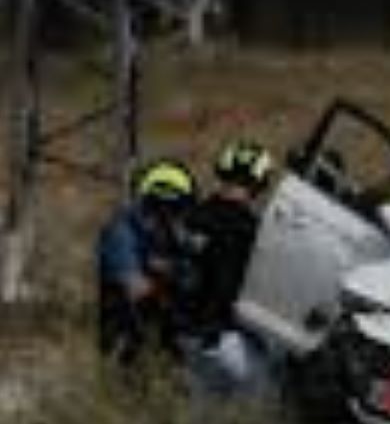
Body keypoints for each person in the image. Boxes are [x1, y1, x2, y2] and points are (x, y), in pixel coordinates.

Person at [179, 139, 277, 396]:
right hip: (224, 339)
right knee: (269, 404)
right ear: (260, 183)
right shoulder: (249, 229)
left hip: (184, 340)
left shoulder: (191, 216)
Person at [96, 159, 198, 367]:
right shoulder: (121, 232)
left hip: (163, 338)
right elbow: (135, 287)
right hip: (127, 342)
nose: (180, 217)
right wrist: (175, 276)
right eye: (177, 209)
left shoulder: (170, 233)